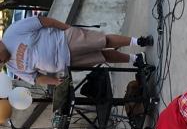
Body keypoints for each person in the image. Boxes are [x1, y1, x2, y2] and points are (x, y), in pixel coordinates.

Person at [0, 15, 153, 86]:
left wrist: (67, 28)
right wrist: (54, 81)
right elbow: (35, 78)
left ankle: (137, 41)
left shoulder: (12, 33)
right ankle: (135, 59)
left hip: (65, 40)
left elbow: (43, 21)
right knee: (102, 57)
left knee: (102, 41)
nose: (1, 62)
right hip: (67, 62)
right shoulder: (12, 67)